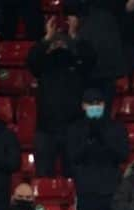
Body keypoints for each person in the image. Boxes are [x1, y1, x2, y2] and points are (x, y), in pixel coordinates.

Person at [27, 17, 97, 178]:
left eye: (62, 41)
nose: (58, 44)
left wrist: (74, 35)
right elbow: (31, 61)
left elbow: (91, 58)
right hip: (46, 129)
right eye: (54, 42)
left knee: (74, 176)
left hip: (73, 128)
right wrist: (46, 38)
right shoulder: (43, 65)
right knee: (43, 177)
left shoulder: (77, 64)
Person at [65, 88, 129, 210]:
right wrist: (88, 141)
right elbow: (72, 157)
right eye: (90, 104)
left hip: (113, 193)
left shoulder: (116, 127)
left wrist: (103, 138)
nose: (95, 107)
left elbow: (123, 154)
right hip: (87, 193)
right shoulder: (75, 129)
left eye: (98, 103)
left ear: (104, 105)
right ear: (83, 106)